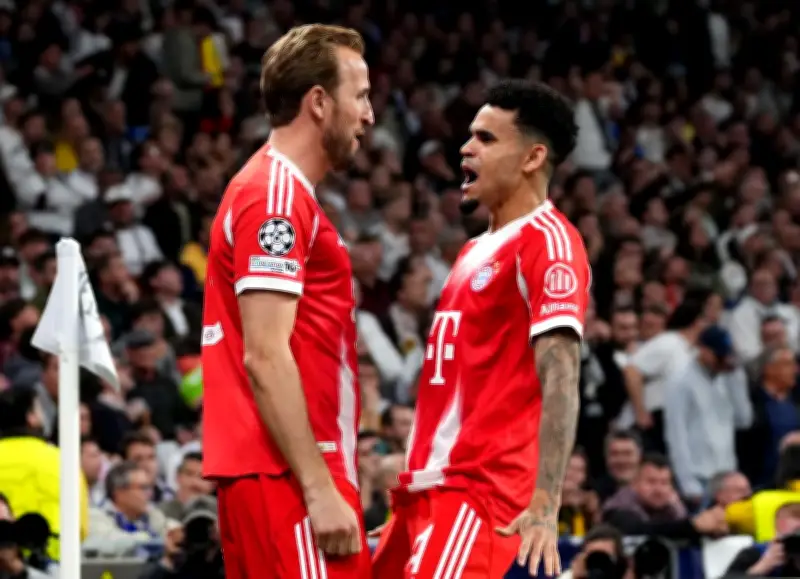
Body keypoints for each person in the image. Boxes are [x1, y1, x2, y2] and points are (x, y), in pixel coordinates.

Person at [372, 79, 589, 578]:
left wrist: (546, 502)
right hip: (426, 495)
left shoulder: (549, 243)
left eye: (486, 138)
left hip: (478, 494)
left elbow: (562, 376)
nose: (466, 148)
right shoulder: (474, 249)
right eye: (470, 135)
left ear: (533, 157)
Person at [200, 24, 374, 578]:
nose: (369, 115)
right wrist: (319, 487)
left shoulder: (279, 191)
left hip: (283, 472)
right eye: (360, 96)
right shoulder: (273, 196)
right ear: (319, 102)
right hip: (288, 477)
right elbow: (265, 354)